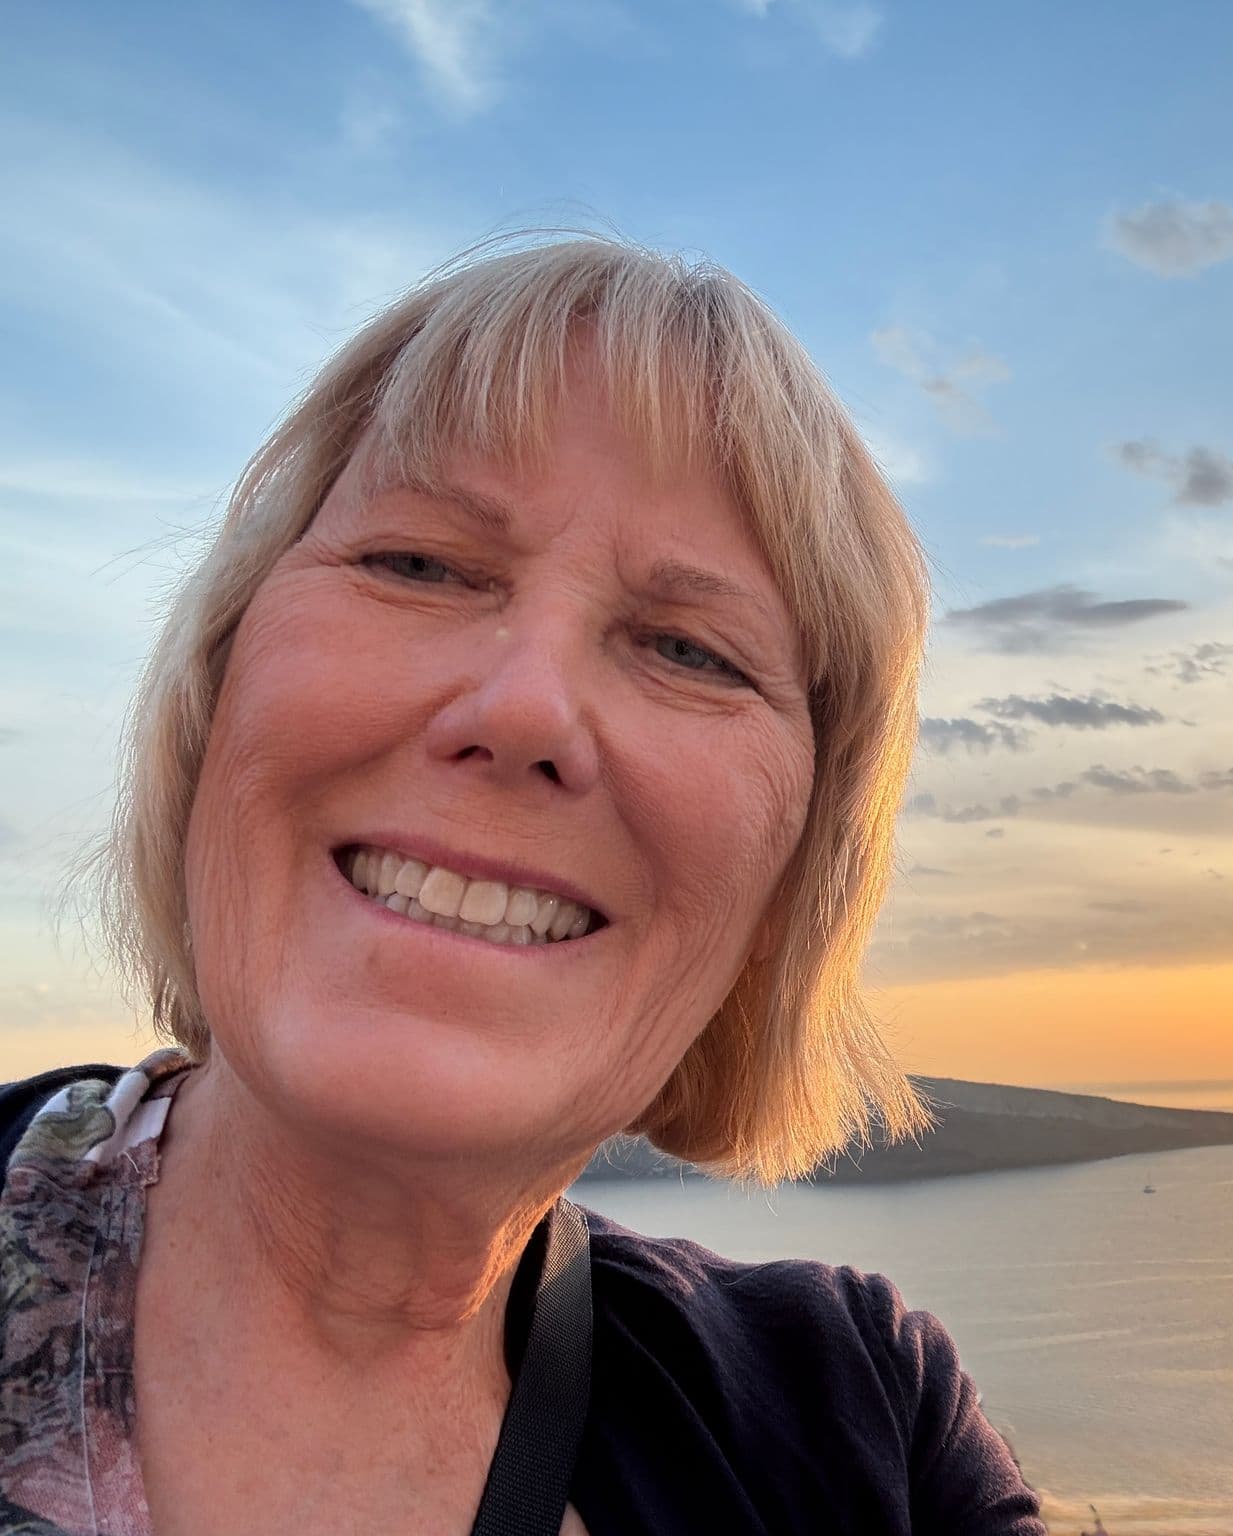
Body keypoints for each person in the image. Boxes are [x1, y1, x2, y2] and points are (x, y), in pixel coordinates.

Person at [0, 234, 1048, 1534]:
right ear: (219, 697)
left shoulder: (855, 1435)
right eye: (420, 565)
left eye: (687, 648)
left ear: (786, 886)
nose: (525, 707)